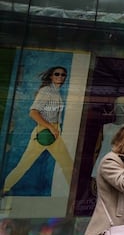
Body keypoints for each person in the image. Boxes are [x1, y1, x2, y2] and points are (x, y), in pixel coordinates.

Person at [3, 66, 74, 195]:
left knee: (67, 164)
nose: (60, 77)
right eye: (57, 74)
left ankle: (74, 194)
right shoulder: (46, 91)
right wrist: (51, 127)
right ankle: (5, 188)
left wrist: (56, 128)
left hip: (53, 132)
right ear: (51, 76)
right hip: (45, 132)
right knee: (24, 164)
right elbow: (33, 113)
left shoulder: (56, 92)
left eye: (63, 75)